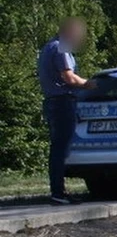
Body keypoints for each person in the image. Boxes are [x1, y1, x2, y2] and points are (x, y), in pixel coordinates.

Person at [37, 18, 93, 205]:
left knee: (58, 147)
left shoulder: (48, 47)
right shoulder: (62, 48)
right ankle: (58, 192)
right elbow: (69, 77)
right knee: (60, 149)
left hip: (53, 102)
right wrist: (90, 84)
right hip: (62, 102)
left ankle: (58, 190)